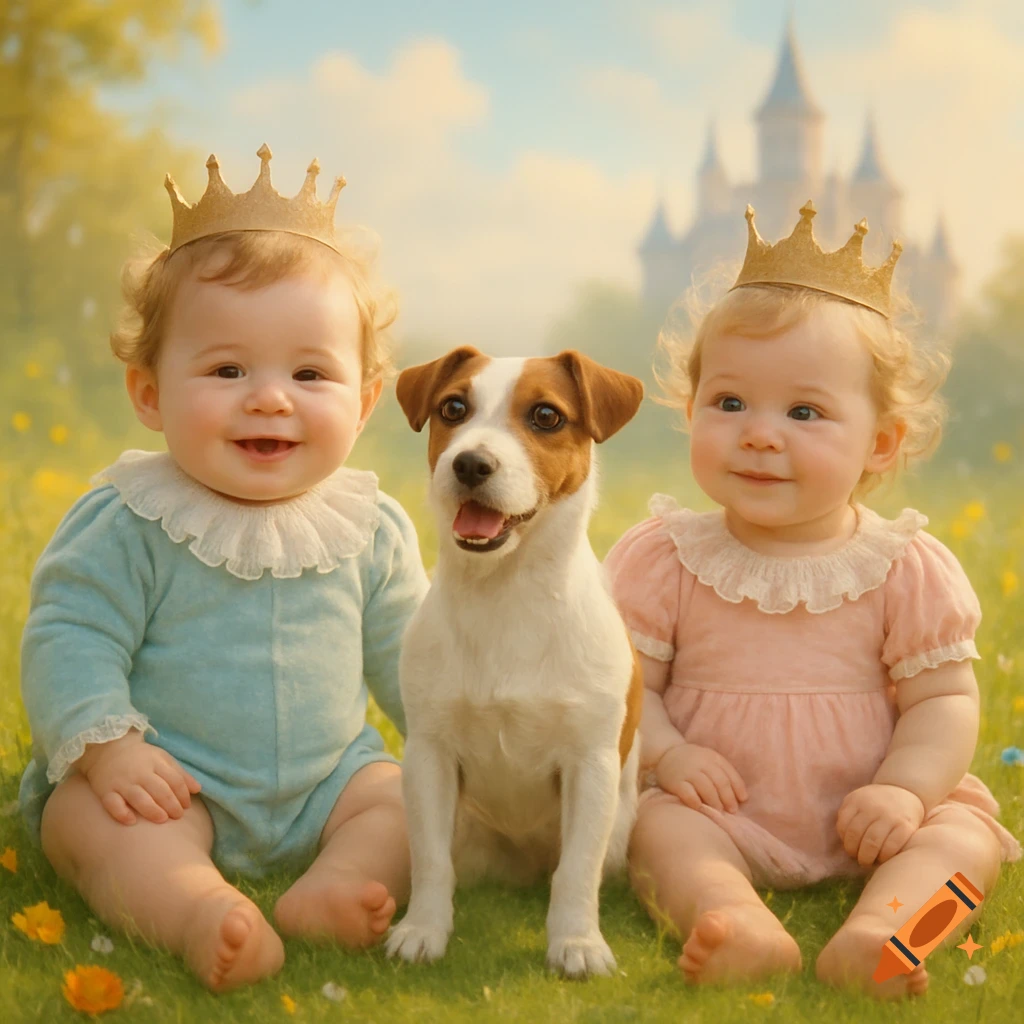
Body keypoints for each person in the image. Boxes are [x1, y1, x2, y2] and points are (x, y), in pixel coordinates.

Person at [19, 146, 428, 991]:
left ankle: (339, 881)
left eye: (309, 372)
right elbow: (71, 633)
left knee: (404, 798)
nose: (269, 396)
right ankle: (195, 907)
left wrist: (452, 743)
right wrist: (109, 746)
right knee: (86, 822)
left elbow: (413, 660)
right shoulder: (130, 520)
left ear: (362, 402)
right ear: (149, 393)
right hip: (168, 784)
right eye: (227, 369)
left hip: (331, 782)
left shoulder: (371, 528)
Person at [606, 202, 1021, 999]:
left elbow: (942, 700)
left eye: (804, 412)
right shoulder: (666, 558)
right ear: (691, 411)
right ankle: (731, 919)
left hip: (877, 814)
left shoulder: (903, 567)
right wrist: (668, 755)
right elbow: (626, 688)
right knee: (655, 829)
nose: (761, 434)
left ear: (881, 443)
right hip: (716, 808)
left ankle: (892, 934)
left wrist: (907, 789)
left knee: (963, 840)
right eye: (730, 403)